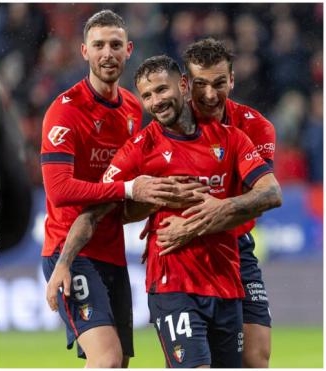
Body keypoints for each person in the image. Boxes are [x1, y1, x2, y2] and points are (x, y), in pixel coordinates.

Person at [68, 55, 281, 367]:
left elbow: (271, 193)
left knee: (253, 361)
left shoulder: (235, 134)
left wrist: (209, 215)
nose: (156, 101)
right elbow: (101, 208)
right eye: (147, 95)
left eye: (161, 90)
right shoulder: (141, 146)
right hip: (174, 279)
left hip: (228, 273)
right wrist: (63, 263)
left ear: (182, 86)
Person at [40, 10, 188, 368]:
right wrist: (128, 190)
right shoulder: (65, 111)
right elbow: (59, 191)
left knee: (118, 362)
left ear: (128, 50)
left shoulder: (135, 109)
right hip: (69, 250)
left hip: (111, 252)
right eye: (99, 45)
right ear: (84, 52)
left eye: (115, 45)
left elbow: (132, 191)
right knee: (105, 359)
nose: (108, 53)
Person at [177, 38, 276, 368]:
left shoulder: (255, 126)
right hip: (185, 252)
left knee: (255, 357)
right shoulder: (170, 125)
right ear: (186, 84)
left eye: (219, 83)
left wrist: (221, 208)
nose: (209, 95)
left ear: (232, 80)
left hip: (236, 250)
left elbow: (265, 195)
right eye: (200, 84)